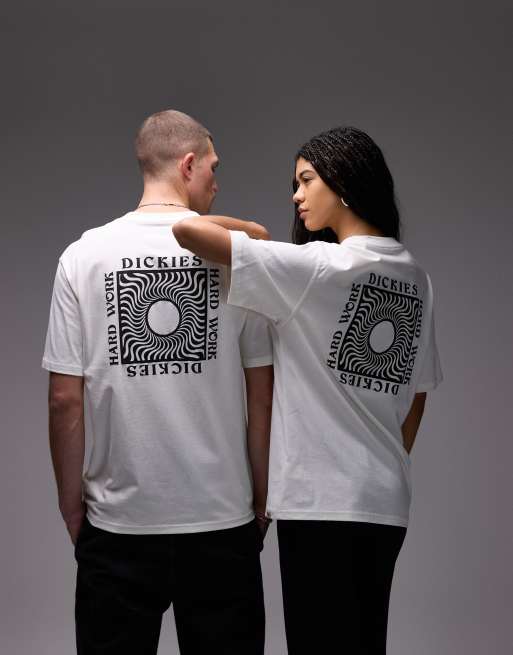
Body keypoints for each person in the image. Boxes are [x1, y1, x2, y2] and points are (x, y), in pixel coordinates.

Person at [172, 125, 443, 654]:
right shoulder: (415, 276)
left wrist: (255, 232)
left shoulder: (315, 269)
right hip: (385, 504)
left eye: (306, 180)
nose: (296, 195)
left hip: (318, 503)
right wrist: (381, 463)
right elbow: (418, 393)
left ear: (343, 180)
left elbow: (187, 230)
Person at [43, 109, 274, 655]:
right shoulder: (237, 261)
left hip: (119, 524)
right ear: (188, 165)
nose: (217, 182)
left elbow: (64, 401)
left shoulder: (82, 257)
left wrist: (72, 506)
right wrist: (261, 502)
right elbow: (262, 395)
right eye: (214, 167)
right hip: (221, 520)